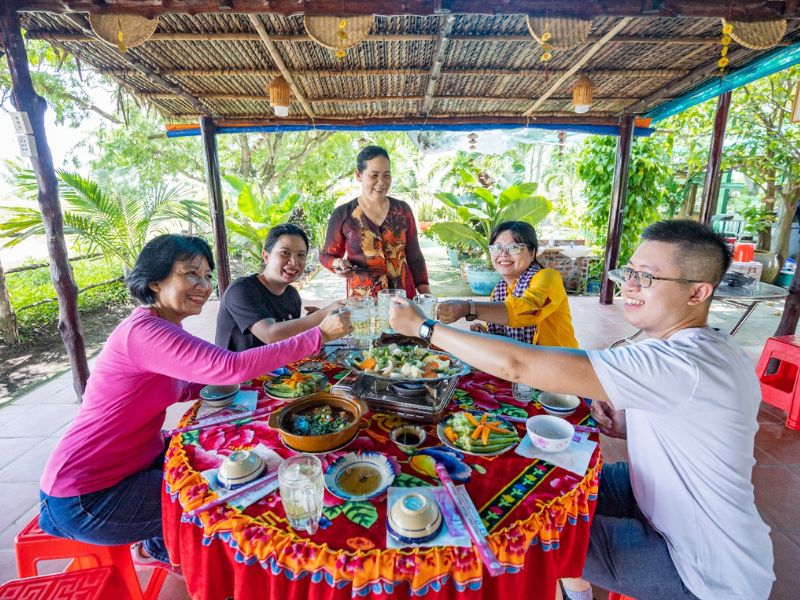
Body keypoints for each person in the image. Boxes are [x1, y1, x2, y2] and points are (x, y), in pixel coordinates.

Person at [389, 220, 773, 600]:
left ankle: (575, 593)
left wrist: (423, 328)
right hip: (662, 498)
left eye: (648, 277)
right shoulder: (715, 348)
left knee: (524, 532)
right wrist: (632, 423)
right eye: (630, 272)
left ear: (697, 293)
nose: (630, 286)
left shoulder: (680, 361)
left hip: (700, 569)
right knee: (534, 484)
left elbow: (518, 365)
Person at [38, 234, 351, 571]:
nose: (202, 284)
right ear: (155, 281)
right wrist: (320, 335)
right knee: (221, 498)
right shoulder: (144, 332)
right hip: (88, 494)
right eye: (190, 274)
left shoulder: (159, 326)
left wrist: (260, 380)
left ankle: (158, 540)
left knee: (228, 462)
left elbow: (192, 384)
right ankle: (173, 554)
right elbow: (229, 366)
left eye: (205, 275)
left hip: (135, 460)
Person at [437, 220, 577, 348]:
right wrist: (488, 336)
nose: (503, 254)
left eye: (514, 247)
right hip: (522, 367)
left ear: (531, 253)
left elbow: (528, 310)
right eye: (497, 248)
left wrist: (469, 308)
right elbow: (508, 334)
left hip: (559, 366)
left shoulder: (548, 277)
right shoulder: (499, 291)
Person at [320, 145, 430, 298]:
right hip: (363, 301)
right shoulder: (343, 214)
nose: (381, 182)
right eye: (374, 175)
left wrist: (428, 298)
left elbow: (415, 256)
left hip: (403, 298)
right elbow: (326, 255)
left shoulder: (402, 211)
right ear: (358, 175)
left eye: (386, 175)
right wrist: (338, 264)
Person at [216, 223, 345, 351]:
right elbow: (271, 335)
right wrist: (322, 315)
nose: (294, 262)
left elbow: (288, 342)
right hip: (240, 371)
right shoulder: (241, 290)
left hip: (275, 370)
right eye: (285, 253)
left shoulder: (292, 295)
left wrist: (315, 323)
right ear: (266, 256)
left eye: (301, 255)